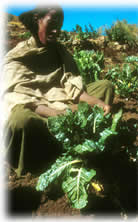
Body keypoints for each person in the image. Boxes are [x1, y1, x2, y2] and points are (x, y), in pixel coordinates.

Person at [3, 5, 114, 177]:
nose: (56, 30)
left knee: (105, 87)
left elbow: (73, 88)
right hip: (39, 112)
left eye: (60, 25)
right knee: (20, 120)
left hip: (64, 102)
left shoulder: (59, 51)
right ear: (37, 20)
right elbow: (21, 99)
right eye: (52, 23)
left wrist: (96, 102)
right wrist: (61, 116)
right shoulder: (18, 56)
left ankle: (68, 142)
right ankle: (44, 155)